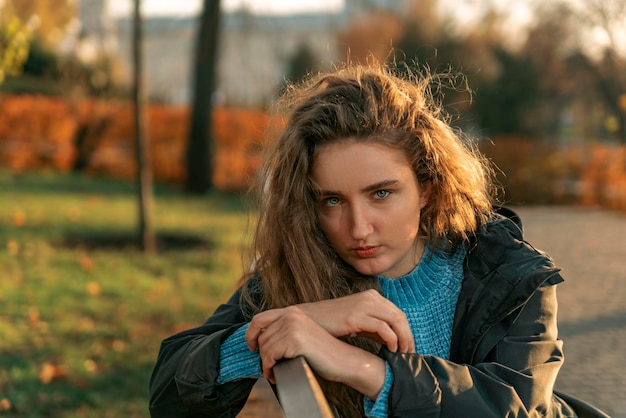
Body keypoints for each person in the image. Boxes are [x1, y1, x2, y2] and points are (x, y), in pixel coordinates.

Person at [148, 64, 577, 417]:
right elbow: (168, 392)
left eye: (381, 193)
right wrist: (306, 320)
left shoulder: (511, 275)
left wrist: (369, 370)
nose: (357, 228)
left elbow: (518, 406)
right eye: (331, 200)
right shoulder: (300, 270)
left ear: (426, 187)